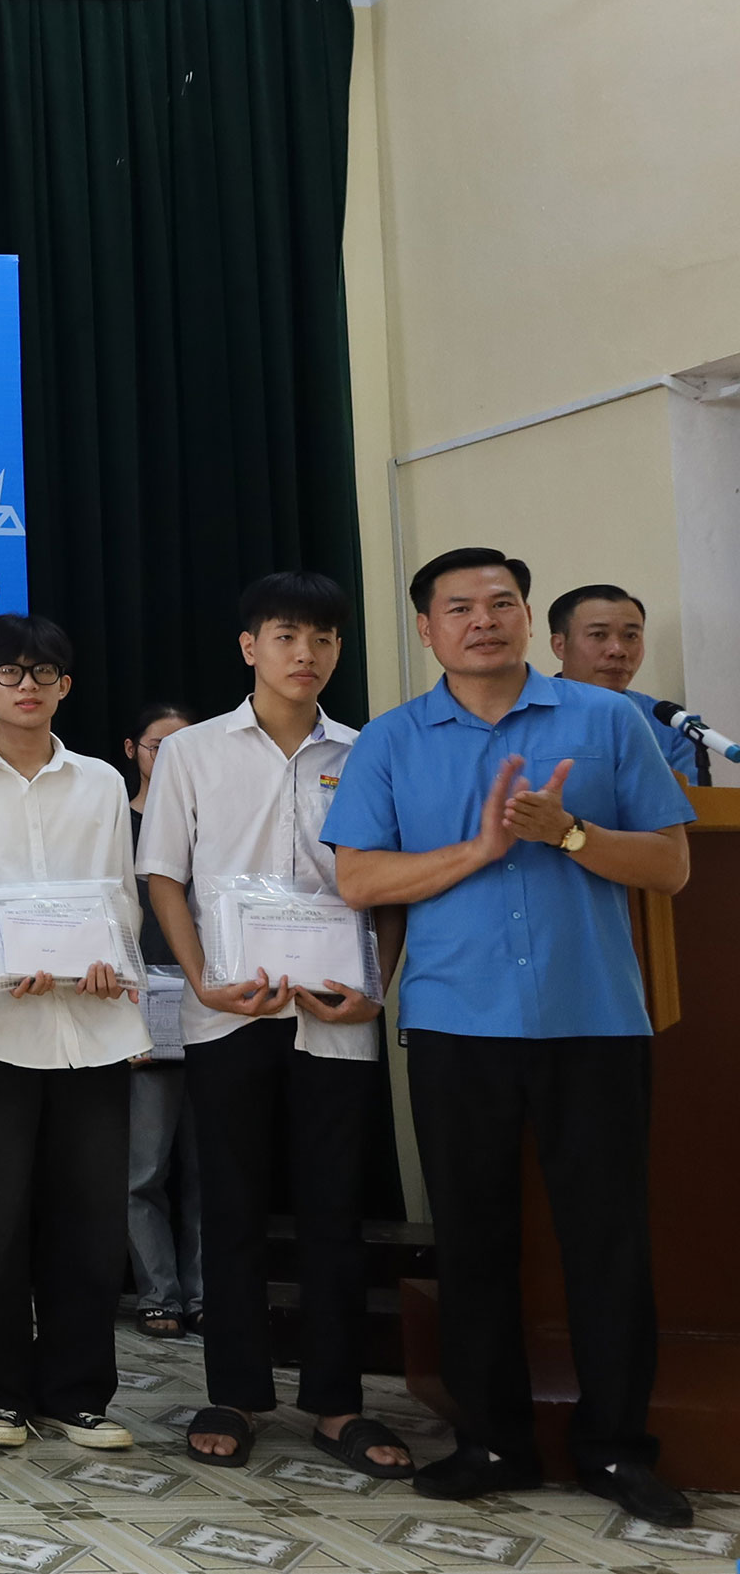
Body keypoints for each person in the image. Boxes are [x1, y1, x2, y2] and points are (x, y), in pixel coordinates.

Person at [327, 547, 694, 1526]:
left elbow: (669, 866)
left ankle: (617, 1449)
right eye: (459, 607)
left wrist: (569, 834)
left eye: (500, 603)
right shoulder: (392, 739)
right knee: (473, 1240)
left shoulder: (607, 720)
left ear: (529, 618)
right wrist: (482, 849)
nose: (482, 620)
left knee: (609, 1241)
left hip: (595, 1018)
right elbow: (359, 878)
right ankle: (492, 1440)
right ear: (427, 629)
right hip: (457, 1021)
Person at [140, 572, 408, 1477]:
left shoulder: (367, 751)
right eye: (287, 635)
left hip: (337, 1016)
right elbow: (164, 875)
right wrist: (202, 978)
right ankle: (237, 1390)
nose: (307, 653)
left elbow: (387, 885)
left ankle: (337, 1402)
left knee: (336, 1210)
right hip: (227, 1013)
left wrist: (377, 987)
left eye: (324, 638)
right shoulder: (193, 752)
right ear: (249, 646)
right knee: (232, 1207)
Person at [0, 614, 145, 1452]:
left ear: (65, 686)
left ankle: (78, 1392)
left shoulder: (101, 783)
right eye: (9, 672)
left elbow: (120, 896)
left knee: (91, 1222)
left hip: (94, 1025)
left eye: (44, 672)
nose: (27, 686)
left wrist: (104, 954)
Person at [118, 702, 203, 1344]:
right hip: (142, 1009)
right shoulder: (114, 824)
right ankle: (158, 1294)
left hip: (217, 1008)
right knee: (144, 1169)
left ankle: (205, 1294)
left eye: (183, 746)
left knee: (212, 1170)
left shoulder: (215, 819)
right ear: (132, 750)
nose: (170, 758)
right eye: (157, 747)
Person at [549, 584, 707, 784]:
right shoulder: (528, 713)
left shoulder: (667, 723)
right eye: (598, 634)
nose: (617, 650)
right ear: (560, 646)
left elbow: (693, 800)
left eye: (631, 636)